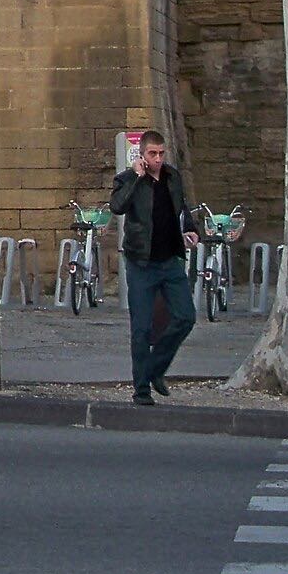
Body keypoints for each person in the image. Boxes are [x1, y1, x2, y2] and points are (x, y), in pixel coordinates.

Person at [109, 130, 199, 405]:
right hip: (141, 262)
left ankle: (155, 368)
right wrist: (136, 177)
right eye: (152, 154)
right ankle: (142, 389)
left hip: (171, 259)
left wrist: (190, 229)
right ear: (142, 154)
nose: (158, 159)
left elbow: (181, 207)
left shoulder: (172, 177)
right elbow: (118, 206)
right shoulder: (127, 179)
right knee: (142, 328)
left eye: (161, 154)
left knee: (185, 316)